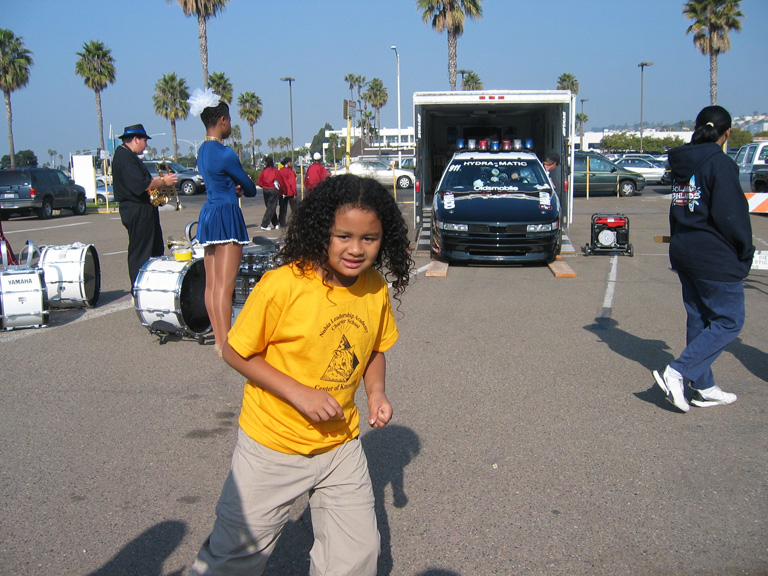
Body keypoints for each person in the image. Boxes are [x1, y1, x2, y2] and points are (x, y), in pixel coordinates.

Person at [189, 174, 414, 576]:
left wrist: (376, 392)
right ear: (320, 230)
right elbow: (236, 351)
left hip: (340, 445)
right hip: (273, 445)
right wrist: (298, 393)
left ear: (386, 240)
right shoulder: (283, 285)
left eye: (369, 238)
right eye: (343, 235)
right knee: (232, 559)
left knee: (357, 555)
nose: (355, 249)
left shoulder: (375, 287)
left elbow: (375, 347)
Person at [653, 105, 754, 413]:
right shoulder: (720, 163)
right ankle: (679, 372)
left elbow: (677, 208)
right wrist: (745, 250)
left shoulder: (683, 162)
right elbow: (731, 215)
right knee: (728, 320)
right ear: (727, 133)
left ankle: (704, 387)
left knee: (699, 318)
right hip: (714, 255)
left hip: (685, 250)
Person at [189, 88, 258, 355]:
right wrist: (241, 188)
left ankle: (219, 340)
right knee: (226, 285)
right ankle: (226, 343)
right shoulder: (225, 152)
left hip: (208, 213)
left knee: (212, 283)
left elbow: (219, 182)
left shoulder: (202, 152)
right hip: (227, 214)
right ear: (222, 121)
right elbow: (250, 189)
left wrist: (232, 187)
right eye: (229, 120)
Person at [112, 124, 178, 292]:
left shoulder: (129, 156)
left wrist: (157, 181)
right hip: (136, 209)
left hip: (144, 208)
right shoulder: (125, 157)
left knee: (154, 248)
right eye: (144, 140)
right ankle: (139, 287)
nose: (146, 145)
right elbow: (142, 184)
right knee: (142, 251)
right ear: (136, 139)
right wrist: (164, 182)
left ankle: (152, 284)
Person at [257, 157, 280, 230]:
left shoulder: (264, 171)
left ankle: (276, 223)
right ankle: (264, 224)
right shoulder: (275, 171)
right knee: (271, 207)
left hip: (265, 190)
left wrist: (264, 186)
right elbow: (280, 180)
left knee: (270, 207)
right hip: (273, 189)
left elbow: (259, 182)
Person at [277, 156, 297, 228]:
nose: (291, 164)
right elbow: (292, 183)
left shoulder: (280, 171)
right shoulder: (290, 172)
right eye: (290, 162)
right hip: (290, 192)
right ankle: (296, 221)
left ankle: (282, 222)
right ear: (288, 163)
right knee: (294, 208)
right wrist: (294, 193)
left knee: (282, 208)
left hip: (282, 192)